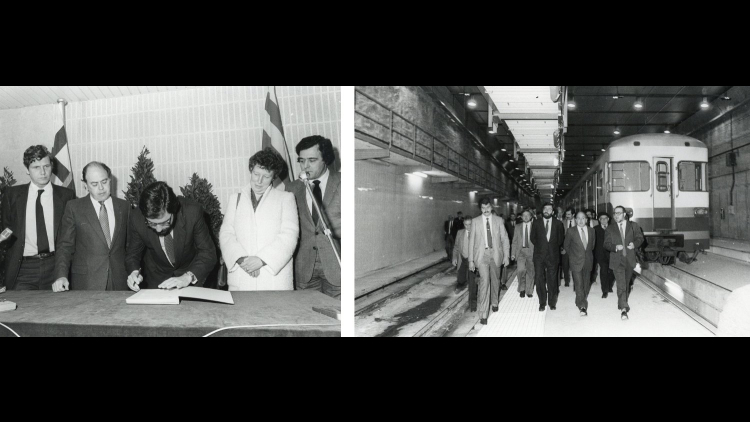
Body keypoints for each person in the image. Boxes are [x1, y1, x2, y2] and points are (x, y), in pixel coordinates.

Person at [220, 148, 299, 291]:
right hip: (242, 275)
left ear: (274, 177)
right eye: (256, 174)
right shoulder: (235, 199)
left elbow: (289, 236)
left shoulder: (286, 199)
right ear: (251, 170)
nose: (259, 181)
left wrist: (262, 260)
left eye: (266, 176)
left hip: (273, 279)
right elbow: (226, 234)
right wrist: (241, 259)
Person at [0, 145, 76, 291]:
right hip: (23, 268)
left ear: (51, 166)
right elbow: (5, 236)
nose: (42, 172)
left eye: (46, 166)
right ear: (27, 170)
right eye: (36, 167)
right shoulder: (12, 195)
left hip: (56, 267)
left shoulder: (66, 196)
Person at [52, 162, 130, 292]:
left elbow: (130, 246)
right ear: (85, 185)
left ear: (110, 180)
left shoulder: (124, 207)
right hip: (87, 281)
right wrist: (61, 275)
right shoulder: (74, 207)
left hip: (120, 280)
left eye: (104, 181)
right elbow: (65, 246)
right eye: (94, 184)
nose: (101, 188)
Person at [125, 181, 217, 290]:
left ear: (174, 210)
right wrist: (134, 272)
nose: (158, 229)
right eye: (151, 223)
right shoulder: (137, 218)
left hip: (189, 279)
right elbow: (132, 254)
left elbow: (208, 253)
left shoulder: (192, 212)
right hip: (157, 280)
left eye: (165, 222)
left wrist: (188, 277)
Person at [286, 135, 341, 298]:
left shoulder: (344, 183)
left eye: (312, 160)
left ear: (326, 159)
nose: (305, 166)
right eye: (301, 161)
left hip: (337, 267)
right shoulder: (292, 189)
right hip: (304, 268)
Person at [468, 198, 510, 325]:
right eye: (483, 208)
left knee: (495, 280)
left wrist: (506, 256)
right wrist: (471, 260)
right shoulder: (475, 222)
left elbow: (505, 239)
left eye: (487, 207)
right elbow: (471, 242)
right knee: (484, 282)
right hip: (482, 256)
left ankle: (495, 302)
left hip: (496, 254)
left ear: (491, 207)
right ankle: (483, 314)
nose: (485, 210)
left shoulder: (499, 220)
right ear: (480, 209)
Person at [604, 205, 644, 320]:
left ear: (624, 214)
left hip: (630, 260)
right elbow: (606, 244)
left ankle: (621, 302)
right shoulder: (610, 228)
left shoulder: (633, 226)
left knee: (626, 284)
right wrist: (615, 247)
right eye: (615, 213)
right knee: (621, 285)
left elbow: (640, 238)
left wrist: (634, 244)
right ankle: (623, 309)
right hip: (617, 260)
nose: (617, 215)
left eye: (619, 213)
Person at [530, 203, 565, 311]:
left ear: (553, 212)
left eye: (549, 209)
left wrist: (551, 248)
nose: (547, 210)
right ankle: (542, 302)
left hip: (553, 256)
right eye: (545, 208)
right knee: (539, 278)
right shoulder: (536, 223)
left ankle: (552, 302)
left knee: (552, 280)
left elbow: (560, 240)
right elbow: (532, 238)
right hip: (539, 256)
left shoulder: (558, 224)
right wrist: (542, 246)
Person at [564, 211, 595, 316]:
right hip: (575, 262)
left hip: (588, 261)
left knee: (586, 284)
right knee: (579, 284)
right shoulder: (570, 231)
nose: (581, 220)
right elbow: (566, 246)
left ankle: (580, 300)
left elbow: (592, 246)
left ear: (586, 220)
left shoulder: (592, 231)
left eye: (583, 218)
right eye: (578, 218)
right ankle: (582, 306)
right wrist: (573, 256)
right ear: (575, 220)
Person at [452, 216, 477, 310]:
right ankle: (460, 284)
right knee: (461, 279)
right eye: (466, 225)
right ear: (463, 224)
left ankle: (472, 305)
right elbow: (456, 246)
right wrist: (454, 257)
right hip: (462, 259)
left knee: (472, 283)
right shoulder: (460, 233)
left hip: (472, 261)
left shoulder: (477, 232)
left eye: (470, 224)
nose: (468, 227)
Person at [511, 210, 534, 299]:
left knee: (531, 272)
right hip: (520, 252)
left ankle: (529, 290)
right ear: (521, 217)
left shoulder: (535, 227)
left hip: (531, 252)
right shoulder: (517, 227)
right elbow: (514, 242)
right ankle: (522, 289)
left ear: (531, 217)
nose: (526, 217)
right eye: (524, 215)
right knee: (520, 270)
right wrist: (513, 254)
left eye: (527, 215)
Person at [594, 212, 615, 297]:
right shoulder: (595, 229)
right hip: (601, 254)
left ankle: (609, 285)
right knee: (603, 271)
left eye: (605, 218)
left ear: (608, 219)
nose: (603, 220)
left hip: (612, 253)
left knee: (612, 271)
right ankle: (604, 290)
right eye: (601, 219)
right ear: (599, 220)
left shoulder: (613, 228)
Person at [560, 207, 576, 287]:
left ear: (573, 214)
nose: (567, 216)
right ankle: (567, 280)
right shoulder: (562, 223)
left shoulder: (578, 222)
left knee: (575, 265)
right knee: (565, 265)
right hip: (565, 248)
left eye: (569, 214)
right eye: (566, 214)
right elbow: (560, 236)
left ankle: (576, 281)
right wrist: (562, 247)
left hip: (575, 248)